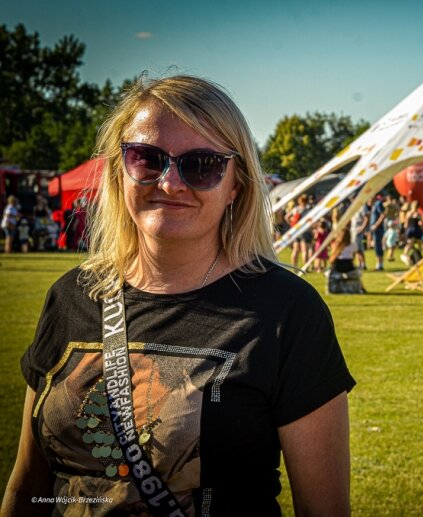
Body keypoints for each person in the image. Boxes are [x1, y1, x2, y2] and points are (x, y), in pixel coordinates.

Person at [2, 75, 355, 516]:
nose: (169, 183)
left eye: (202, 164)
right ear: (119, 171)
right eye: (147, 159)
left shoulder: (288, 312)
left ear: (236, 187)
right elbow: (27, 485)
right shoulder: (71, 295)